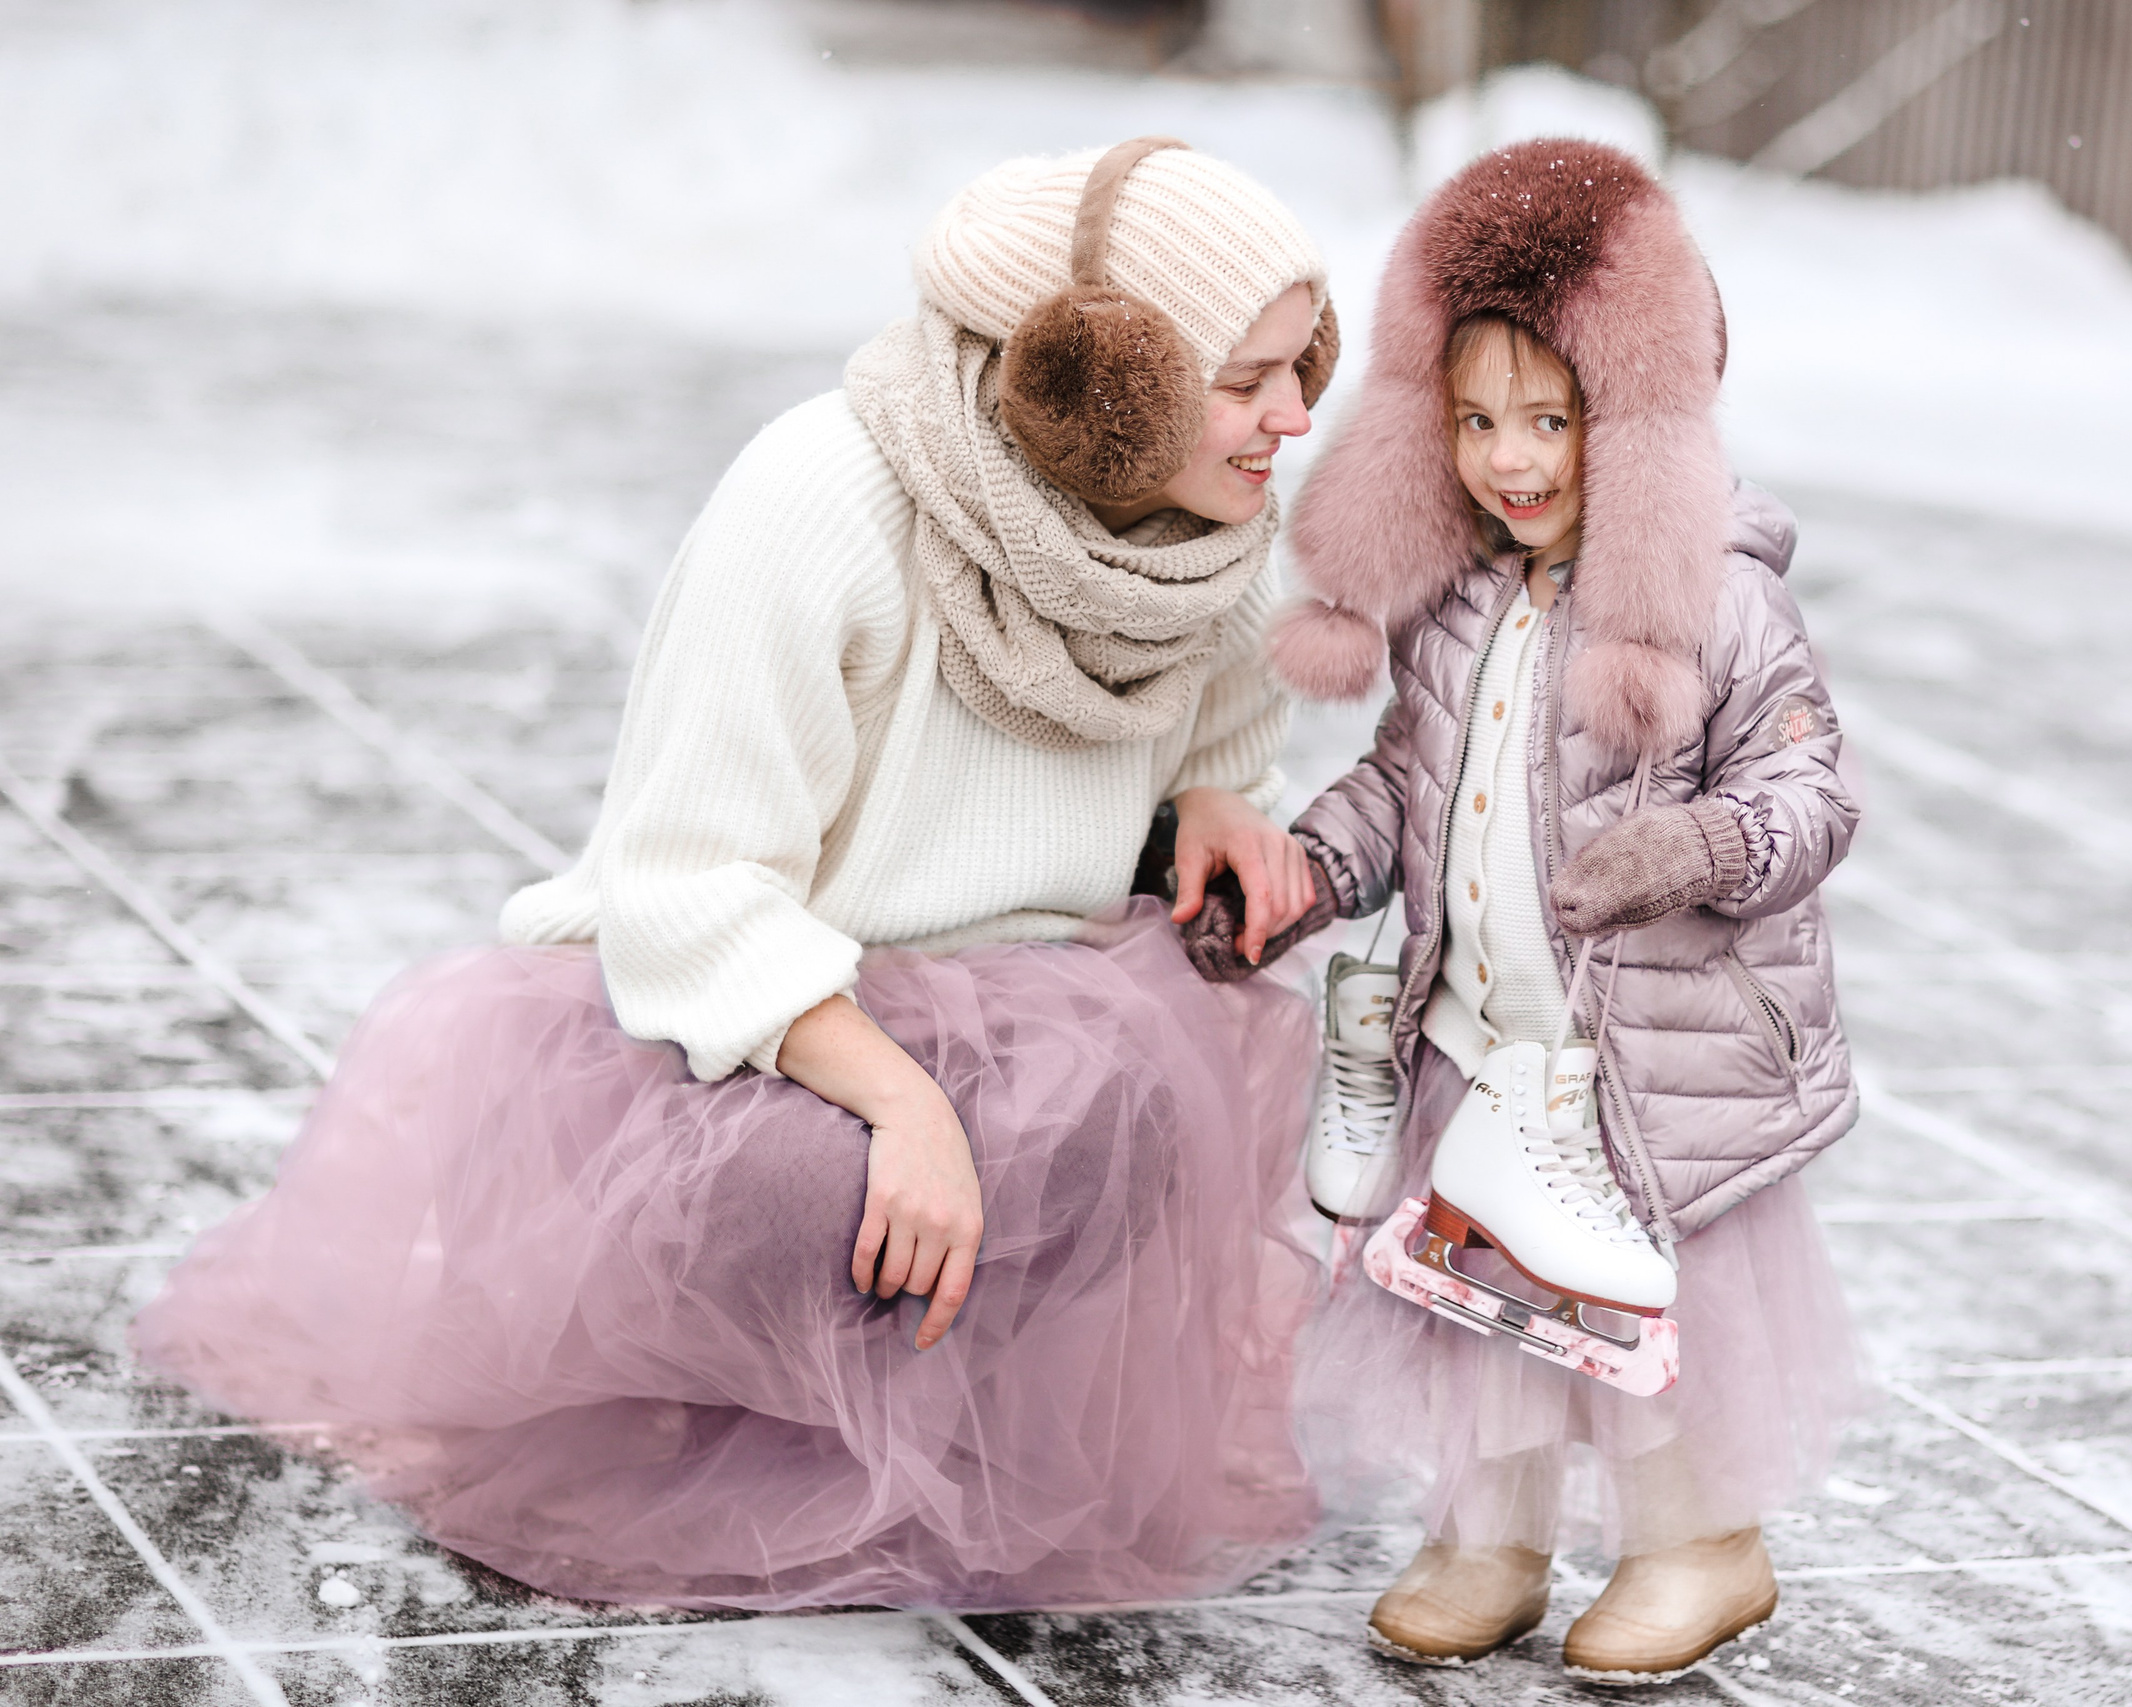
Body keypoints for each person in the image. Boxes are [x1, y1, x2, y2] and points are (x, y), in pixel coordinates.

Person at [131, 138, 1345, 1613]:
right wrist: (902, 1099)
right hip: (756, 1028)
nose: (1291, 417)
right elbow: (688, 886)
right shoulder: (823, 497)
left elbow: (1218, 696)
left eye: (1307, 367)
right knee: (820, 1189)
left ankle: (950, 1409)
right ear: (1110, 376)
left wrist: (1212, 793)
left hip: (1031, 996)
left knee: (1146, 1093)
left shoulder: (1208, 530)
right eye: (1249, 379)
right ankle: (733, 1421)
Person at [1233, 138, 1868, 1683]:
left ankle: (1696, 1539)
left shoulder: (1719, 598)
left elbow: (1815, 797)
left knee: (1651, 1328)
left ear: (1630, 423)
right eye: (1472, 421)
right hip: (1487, 1032)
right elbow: (1406, 780)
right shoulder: (1462, 594)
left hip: (1653, 1066)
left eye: (1551, 420)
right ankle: (1491, 1537)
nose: (1510, 461)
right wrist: (1312, 867)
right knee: (1482, 1306)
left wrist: (1699, 848)